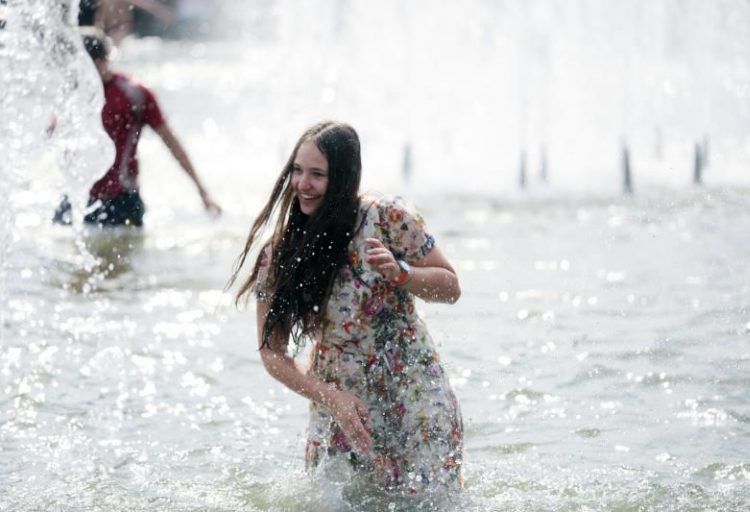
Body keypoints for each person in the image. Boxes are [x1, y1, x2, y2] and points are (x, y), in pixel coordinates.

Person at [229, 121, 464, 496]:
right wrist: (330, 398)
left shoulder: (388, 218)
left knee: (430, 500)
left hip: (414, 392)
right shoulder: (280, 253)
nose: (302, 184)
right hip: (343, 404)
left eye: (317, 175)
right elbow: (271, 354)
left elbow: (451, 287)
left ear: (344, 178)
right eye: (297, 170)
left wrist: (402, 274)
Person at [55, 27, 220, 227]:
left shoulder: (135, 95)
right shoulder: (74, 92)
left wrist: (202, 191)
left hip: (121, 200)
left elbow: (171, 142)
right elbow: (53, 133)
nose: (73, 70)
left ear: (101, 61)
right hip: (76, 198)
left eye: (80, 64)